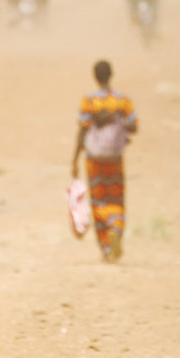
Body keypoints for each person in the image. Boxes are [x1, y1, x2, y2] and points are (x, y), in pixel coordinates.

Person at [71, 60, 138, 263]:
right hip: (115, 159)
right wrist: (116, 120)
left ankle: (106, 248)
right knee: (116, 197)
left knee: (99, 199)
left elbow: (82, 130)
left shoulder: (89, 101)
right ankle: (116, 227)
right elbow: (134, 126)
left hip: (94, 159)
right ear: (111, 75)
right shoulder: (122, 101)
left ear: (95, 76)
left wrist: (74, 159)